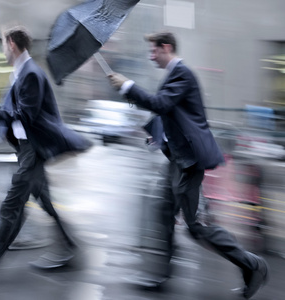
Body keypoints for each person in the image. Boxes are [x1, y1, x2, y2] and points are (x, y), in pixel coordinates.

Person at [108, 31, 268, 299]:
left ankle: (253, 265)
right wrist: (153, 131)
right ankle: (161, 275)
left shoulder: (182, 73)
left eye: (154, 51)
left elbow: (161, 103)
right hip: (175, 160)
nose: (151, 56)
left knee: (196, 227)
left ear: (166, 47)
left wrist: (127, 86)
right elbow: (168, 113)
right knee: (162, 210)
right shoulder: (173, 75)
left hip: (188, 162)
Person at [0, 26, 91, 283]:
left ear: (12, 44)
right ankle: (71, 247)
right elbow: (12, 112)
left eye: (3, 44)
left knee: (12, 206)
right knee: (44, 202)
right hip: (27, 150)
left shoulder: (31, 74)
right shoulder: (20, 74)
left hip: (34, 151)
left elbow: (26, 116)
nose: (2, 49)